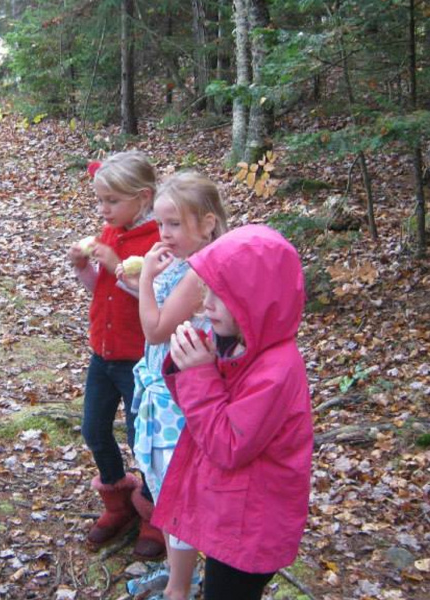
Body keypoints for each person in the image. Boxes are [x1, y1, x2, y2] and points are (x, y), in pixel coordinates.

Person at [153, 224, 312, 600]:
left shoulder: (276, 370)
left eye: (220, 296)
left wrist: (197, 373)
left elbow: (228, 443)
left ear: (254, 301)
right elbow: (204, 417)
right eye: (206, 290)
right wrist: (187, 365)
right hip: (233, 510)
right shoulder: (241, 343)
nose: (206, 304)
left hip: (255, 524)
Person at [118, 172, 227, 600]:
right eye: (161, 224)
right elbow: (163, 313)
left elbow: (158, 329)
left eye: (175, 224)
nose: (164, 234)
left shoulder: (201, 271)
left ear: (208, 223)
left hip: (179, 400)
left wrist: (145, 281)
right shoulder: (185, 264)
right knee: (167, 488)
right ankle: (179, 574)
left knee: (176, 493)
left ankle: (179, 589)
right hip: (166, 393)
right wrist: (142, 284)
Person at [68, 151, 160, 554]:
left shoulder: (158, 240)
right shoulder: (110, 233)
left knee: (143, 435)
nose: (103, 210)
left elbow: (155, 299)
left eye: (112, 201)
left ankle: (155, 513)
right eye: (99, 201)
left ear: (142, 197)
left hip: (138, 357)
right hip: (102, 354)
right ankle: (118, 501)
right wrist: (83, 267)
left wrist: (119, 264)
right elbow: (99, 288)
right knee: (93, 428)